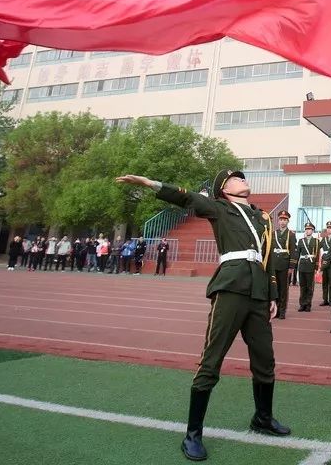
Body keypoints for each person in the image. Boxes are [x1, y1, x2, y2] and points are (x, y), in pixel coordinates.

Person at [115, 169, 290, 461]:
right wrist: (152, 183)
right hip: (231, 288)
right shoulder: (219, 207)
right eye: (236, 178)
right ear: (224, 189)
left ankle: (262, 417)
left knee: (265, 358)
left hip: (258, 293)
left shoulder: (263, 218)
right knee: (212, 360)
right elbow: (187, 197)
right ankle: (192, 434)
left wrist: (273, 294)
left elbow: (268, 256)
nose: (243, 179)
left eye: (242, 176)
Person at [270, 211, 296, 320]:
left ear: (287, 221)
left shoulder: (291, 234)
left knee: (283, 289)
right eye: (281, 220)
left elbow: (293, 251)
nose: (282, 222)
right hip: (274, 264)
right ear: (278, 221)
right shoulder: (273, 233)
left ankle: (282, 311)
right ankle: (274, 310)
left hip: (284, 265)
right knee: (274, 288)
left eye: (284, 220)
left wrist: (291, 266)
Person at [293, 222, 319, 311]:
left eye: (310, 229)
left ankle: (308, 304)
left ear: (313, 231)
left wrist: (316, 267)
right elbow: (297, 254)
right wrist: (294, 265)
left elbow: (317, 255)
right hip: (302, 265)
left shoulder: (316, 241)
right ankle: (302, 304)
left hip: (311, 266)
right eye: (306, 229)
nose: (308, 231)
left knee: (309, 287)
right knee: (302, 286)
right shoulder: (301, 241)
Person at [319, 222, 331, 306]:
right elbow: (318, 246)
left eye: (330, 228)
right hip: (325, 261)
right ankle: (325, 299)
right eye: (328, 228)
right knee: (324, 282)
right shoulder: (324, 239)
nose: (328, 229)